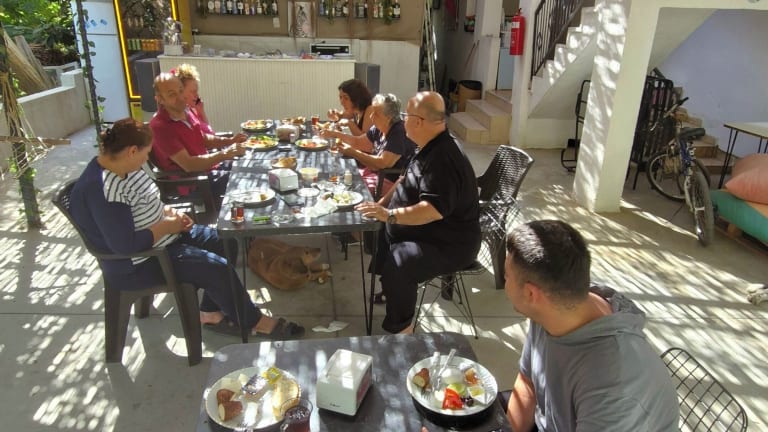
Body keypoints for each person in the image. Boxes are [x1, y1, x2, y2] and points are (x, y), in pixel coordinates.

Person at [69, 118, 305, 339]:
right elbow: (125, 245)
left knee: (227, 241)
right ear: (132, 151)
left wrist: (170, 213)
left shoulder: (123, 167)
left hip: (164, 236)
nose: (147, 158)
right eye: (146, 153)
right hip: (140, 262)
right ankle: (255, 322)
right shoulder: (103, 191)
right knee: (217, 268)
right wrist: (166, 226)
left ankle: (210, 313)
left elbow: (145, 202)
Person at [503, 220, 679, 431]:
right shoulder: (554, 306)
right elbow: (527, 385)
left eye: (506, 277)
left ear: (531, 293)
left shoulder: (613, 384)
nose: (505, 284)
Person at [355, 91, 481, 334]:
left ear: (419, 122)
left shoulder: (444, 158)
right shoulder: (426, 145)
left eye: (406, 115)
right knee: (380, 234)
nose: (402, 120)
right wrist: (381, 206)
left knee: (401, 262)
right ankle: (391, 291)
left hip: (451, 243)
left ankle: (402, 331)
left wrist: (390, 215)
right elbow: (403, 180)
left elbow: (432, 210)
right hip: (428, 231)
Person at [149, 72, 247, 199]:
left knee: (246, 164)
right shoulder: (160, 127)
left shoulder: (185, 111)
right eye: (172, 94)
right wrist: (225, 154)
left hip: (209, 169)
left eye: (181, 91)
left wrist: (230, 141)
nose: (180, 97)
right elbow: (189, 164)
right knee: (243, 180)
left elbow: (203, 138)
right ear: (160, 99)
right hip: (194, 183)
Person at [320, 93, 416, 196]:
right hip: (373, 174)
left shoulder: (398, 132)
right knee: (341, 180)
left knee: (350, 191)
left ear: (388, 117)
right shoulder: (378, 128)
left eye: (376, 114)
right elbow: (357, 142)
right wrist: (334, 134)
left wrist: (353, 153)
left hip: (389, 182)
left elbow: (382, 163)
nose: (371, 116)